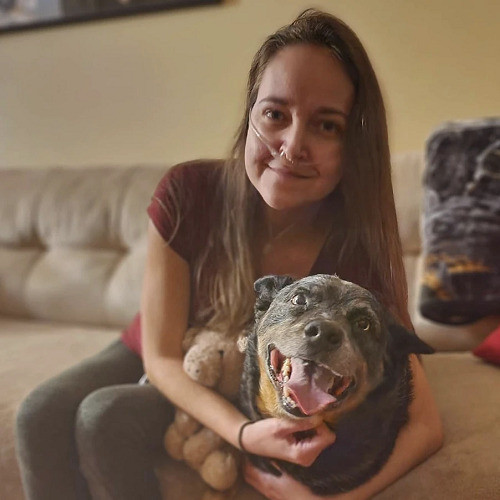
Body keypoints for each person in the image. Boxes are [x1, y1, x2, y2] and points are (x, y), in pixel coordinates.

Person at [15, 9, 443, 500]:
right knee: (38, 415)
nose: (291, 145)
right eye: (275, 114)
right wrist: (241, 433)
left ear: (353, 146)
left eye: (327, 126)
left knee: (103, 417)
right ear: (250, 115)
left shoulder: (357, 249)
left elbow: (425, 426)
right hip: (175, 349)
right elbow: (160, 355)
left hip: (244, 381)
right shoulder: (187, 191)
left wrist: (331, 499)